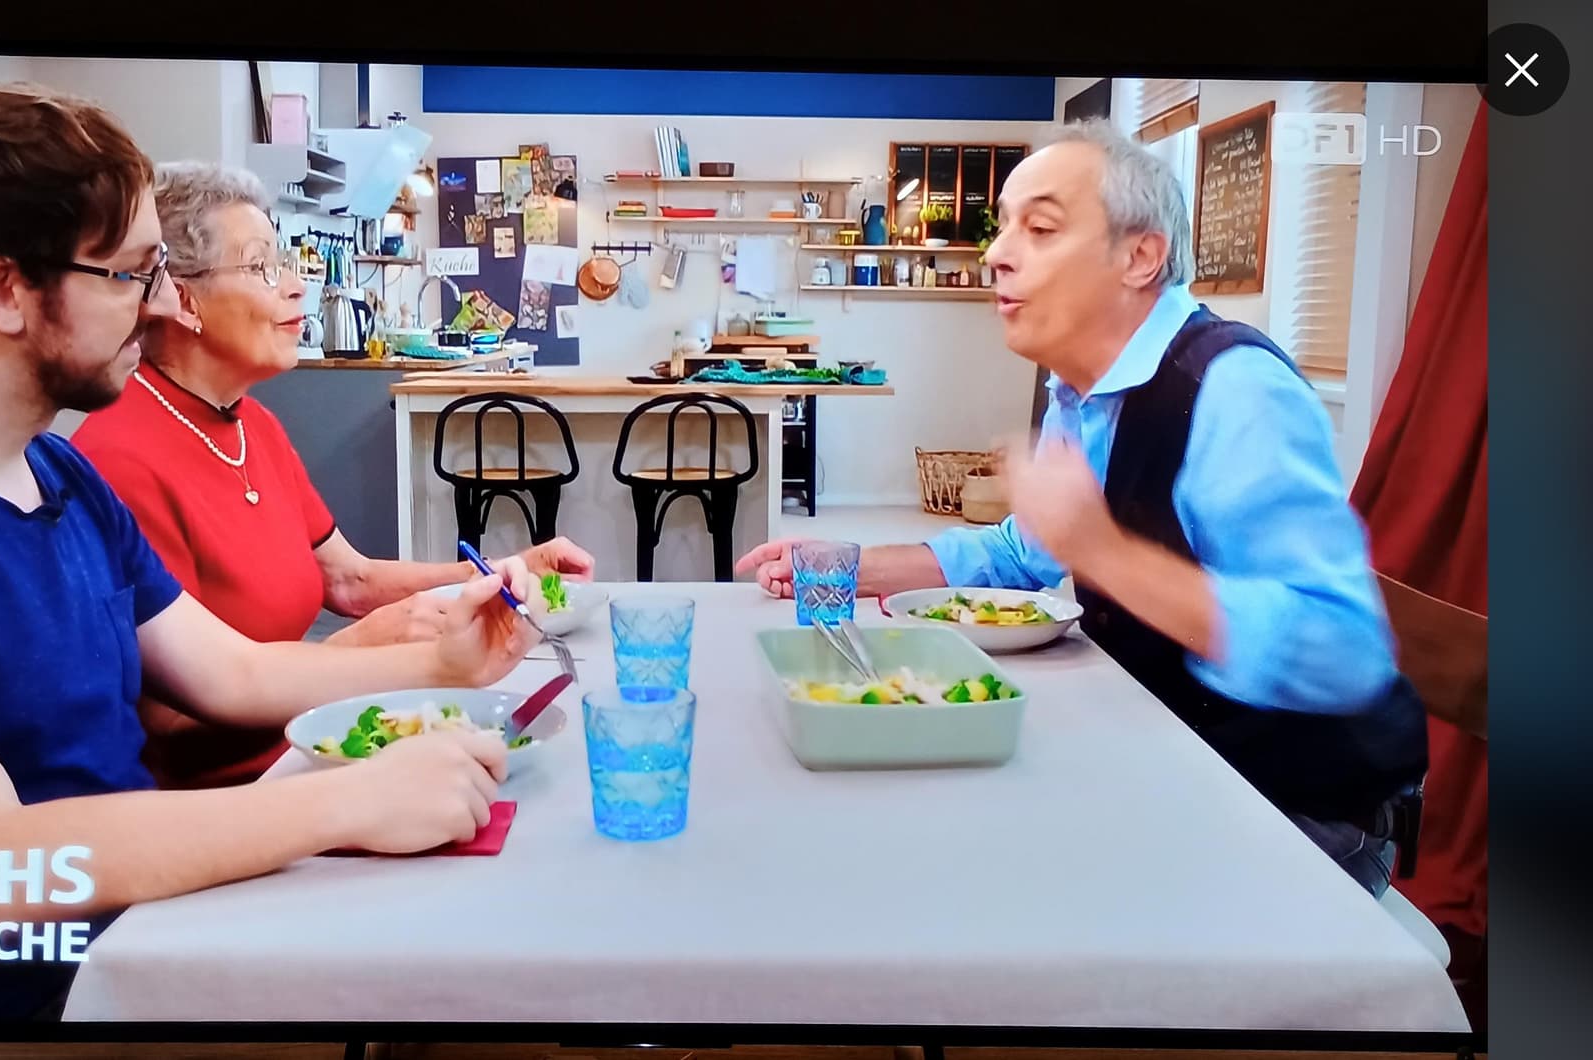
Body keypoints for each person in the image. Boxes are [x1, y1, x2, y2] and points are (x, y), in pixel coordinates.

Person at [0, 83, 542, 1023]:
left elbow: (233, 674)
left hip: (143, 938)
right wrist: (348, 804)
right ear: (4, 292)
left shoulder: (57, 473)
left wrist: (442, 663)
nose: (158, 308)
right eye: (132, 275)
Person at [738, 120, 1426, 896]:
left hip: (1298, 813)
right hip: (1170, 753)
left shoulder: (1236, 390)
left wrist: (1101, 551)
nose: (996, 254)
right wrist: (846, 565)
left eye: (1039, 229)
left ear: (1140, 257)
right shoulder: (1082, 393)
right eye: (1003, 227)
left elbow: (1343, 653)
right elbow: (1021, 554)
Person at [70, 161, 593, 789]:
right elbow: (171, 718)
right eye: (263, 267)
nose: (297, 287)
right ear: (183, 300)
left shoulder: (253, 423)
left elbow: (350, 579)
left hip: (312, 744)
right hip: (238, 793)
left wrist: (496, 573)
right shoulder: (119, 459)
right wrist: (361, 648)